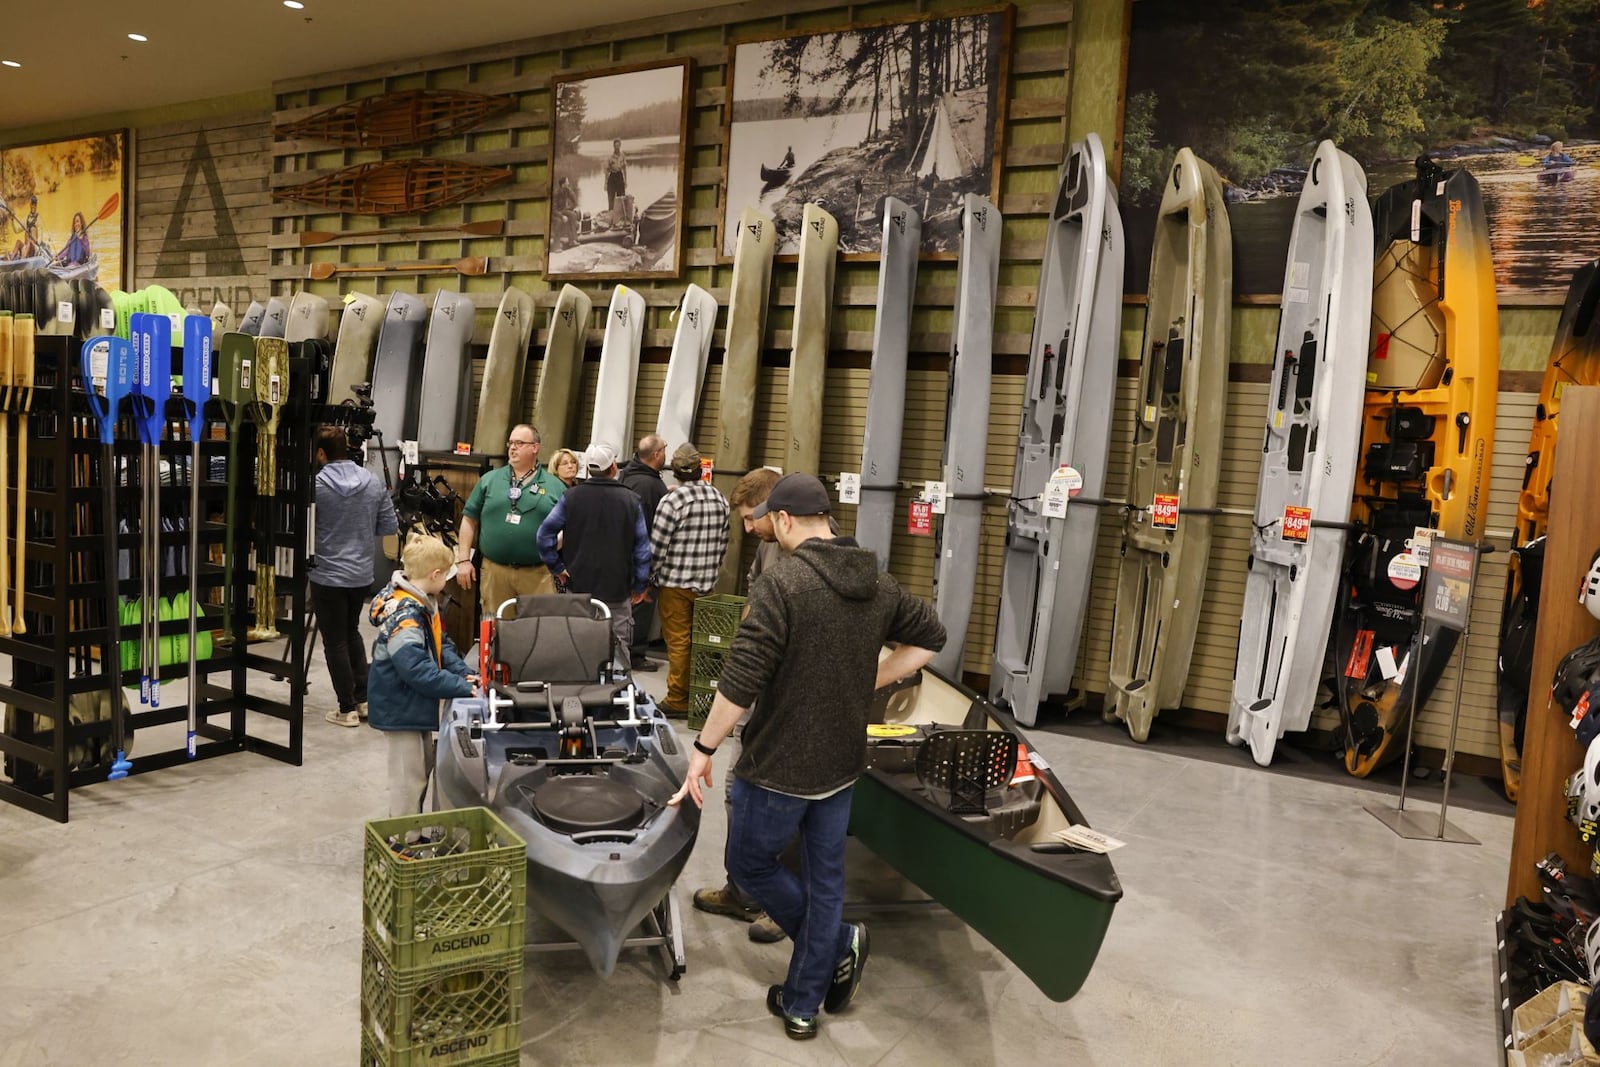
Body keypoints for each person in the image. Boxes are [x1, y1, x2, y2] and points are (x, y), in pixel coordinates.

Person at [670, 473, 947, 1040]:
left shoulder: (785, 585)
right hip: (841, 762)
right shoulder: (876, 580)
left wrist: (702, 750)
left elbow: (740, 681)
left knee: (750, 865)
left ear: (787, 520)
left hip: (778, 764)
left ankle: (835, 946)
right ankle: (802, 1002)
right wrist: (875, 677)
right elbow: (930, 635)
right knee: (825, 881)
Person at [692, 465, 787, 942]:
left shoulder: (814, 561)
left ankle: (779, 902)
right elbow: (752, 598)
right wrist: (742, 647)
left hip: (788, 710)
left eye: (753, 519)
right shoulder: (769, 549)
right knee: (737, 794)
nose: (748, 530)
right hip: (756, 697)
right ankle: (742, 889)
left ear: (780, 510)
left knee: (782, 808)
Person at [366, 535, 478, 817]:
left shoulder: (423, 602)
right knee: (408, 780)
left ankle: (410, 836)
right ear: (436, 574)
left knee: (420, 768)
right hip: (399, 708)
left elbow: (441, 645)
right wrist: (459, 686)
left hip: (410, 705)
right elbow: (416, 670)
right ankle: (403, 842)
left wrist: (465, 674)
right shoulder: (405, 615)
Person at [311, 426, 398, 727]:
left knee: (334, 642)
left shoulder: (317, 486)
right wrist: (358, 533)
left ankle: (345, 708)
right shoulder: (372, 481)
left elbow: (304, 529)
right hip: (361, 574)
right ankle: (363, 701)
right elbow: (389, 525)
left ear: (321, 453)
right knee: (352, 633)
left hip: (327, 575)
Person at [537, 443, 651, 649]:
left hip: (578, 588)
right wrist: (640, 586)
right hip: (617, 590)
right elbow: (642, 550)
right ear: (613, 467)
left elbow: (544, 535)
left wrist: (557, 567)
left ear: (588, 469)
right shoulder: (631, 501)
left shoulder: (570, 497)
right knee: (616, 649)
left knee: (577, 645)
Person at [648, 444, 729, 716]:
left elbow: (656, 548)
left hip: (675, 584)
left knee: (679, 642)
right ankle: (703, 696)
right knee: (703, 642)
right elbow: (723, 543)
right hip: (706, 584)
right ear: (701, 470)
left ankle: (677, 699)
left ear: (676, 472)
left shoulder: (672, 502)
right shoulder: (720, 498)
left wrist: (648, 579)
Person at [455, 424, 564, 613]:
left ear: (535, 447)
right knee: (496, 631)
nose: (512, 448)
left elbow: (570, 527)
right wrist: (463, 560)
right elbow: (469, 520)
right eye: (511, 443)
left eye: (519, 443)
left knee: (537, 632)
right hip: (495, 572)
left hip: (538, 574)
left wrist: (554, 550)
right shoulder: (490, 480)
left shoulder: (556, 487)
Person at [619, 434, 669, 670]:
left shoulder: (629, 476)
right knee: (642, 603)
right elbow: (649, 526)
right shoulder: (649, 486)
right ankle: (635, 655)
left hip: (622, 553)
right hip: (641, 556)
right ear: (657, 454)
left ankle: (623, 653)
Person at [604, 138, 628, 212]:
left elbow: (624, 169)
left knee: (621, 198)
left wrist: (625, 181)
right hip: (612, 177)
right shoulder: (610, 157)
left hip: (620, 177)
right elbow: (607, 171)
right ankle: (611, 215)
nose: (617, 147)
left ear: (620, 146)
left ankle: (621, 217)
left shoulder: (622, 156)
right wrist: (605, 183)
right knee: (611, 198)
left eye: (618, 146)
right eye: (615, 146)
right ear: (613, 146)